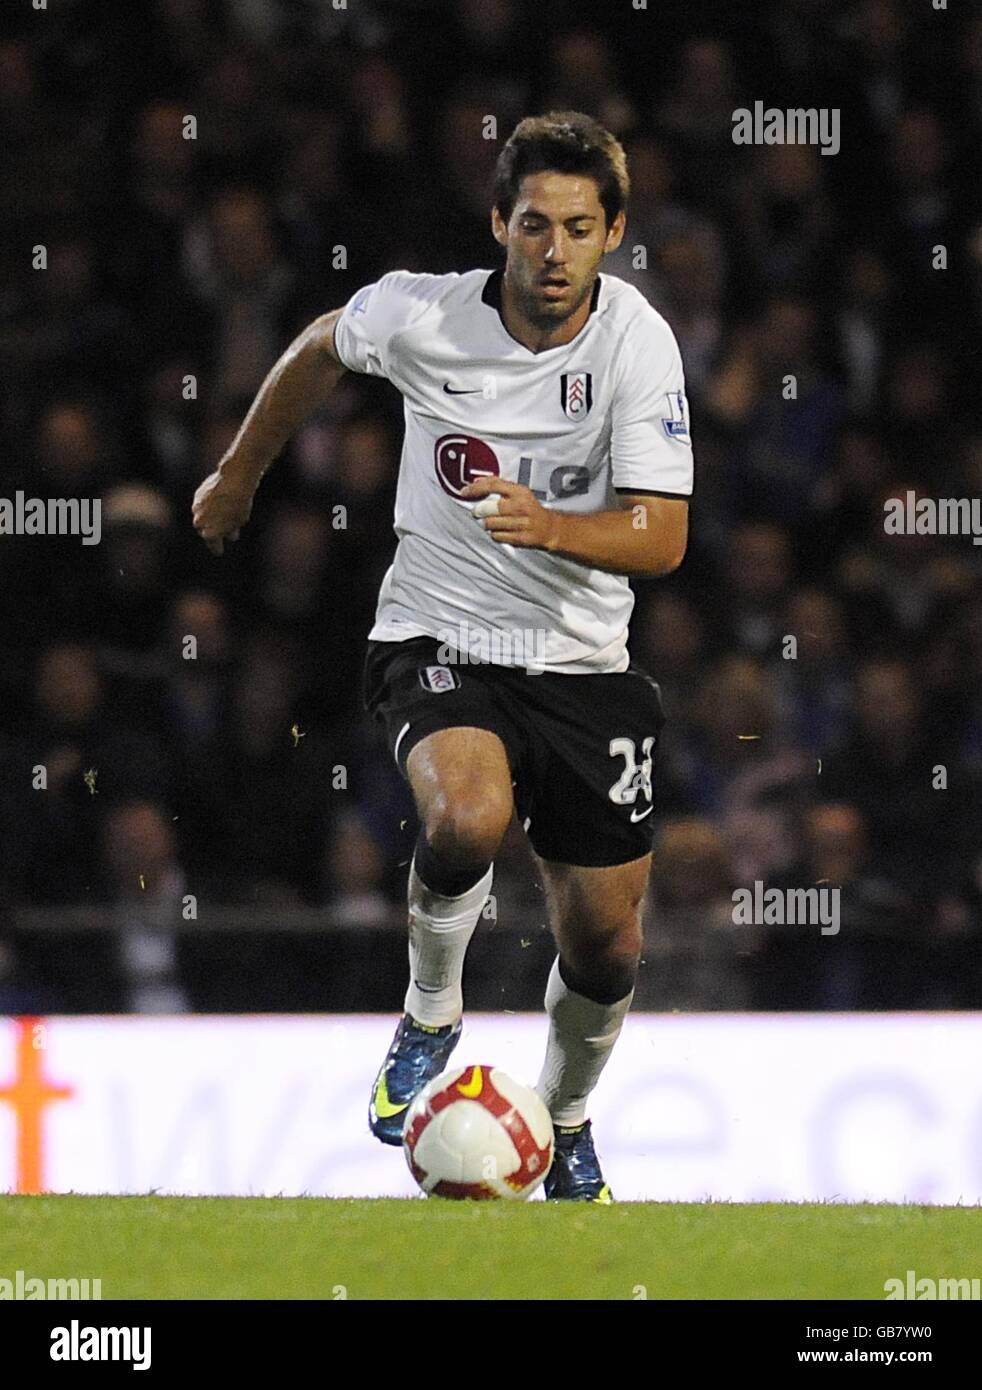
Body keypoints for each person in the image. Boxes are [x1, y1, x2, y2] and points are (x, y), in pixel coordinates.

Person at [192, 112, 693, 1201]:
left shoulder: (636, 343)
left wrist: (547, 525)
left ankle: (561, 1124)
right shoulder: (424, 314)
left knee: (605, 948)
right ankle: (428, 1014)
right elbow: (322, 341)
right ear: (498, 226)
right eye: (531, 225)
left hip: (583, 669)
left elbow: (663, 535)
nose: (552, 251)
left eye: (575, 227)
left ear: (612, 231)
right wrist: (238, 473)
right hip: (438, 640)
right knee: (465, 815)